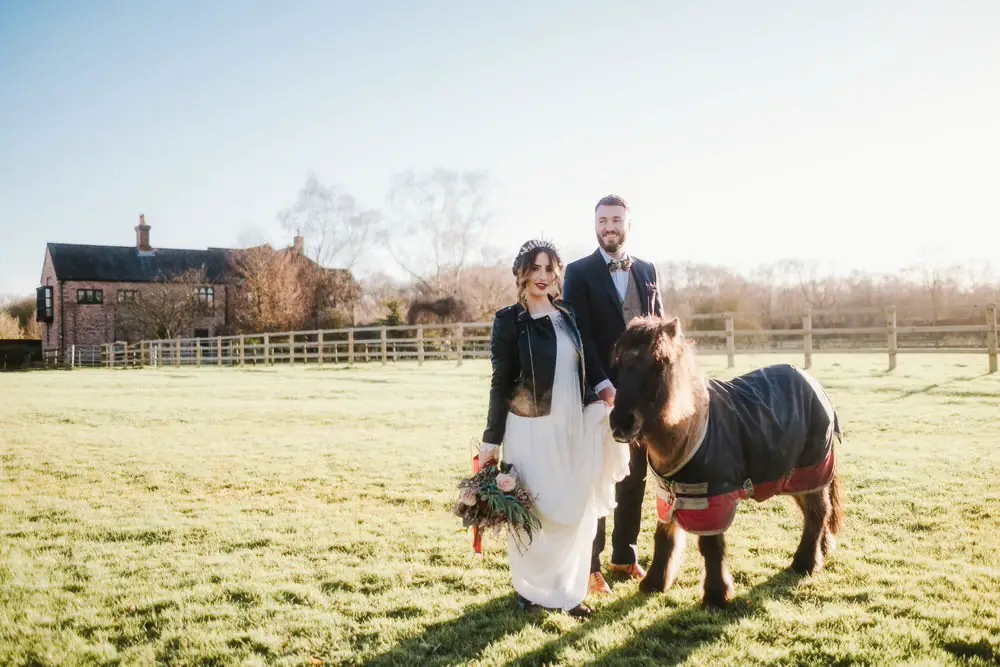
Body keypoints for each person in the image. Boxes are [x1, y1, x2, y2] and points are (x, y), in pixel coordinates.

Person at [479, 238, 630, 619]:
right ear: (522, 273)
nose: (543, 276)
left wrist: (606, 391)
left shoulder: (567, 315)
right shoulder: (509, 322)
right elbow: (500, 383)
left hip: (571, 424)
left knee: (574, 509)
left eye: (550, 268)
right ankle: (530, 590)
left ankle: (569, 590)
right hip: (530, 428)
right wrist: (490, 440)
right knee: (536, 511)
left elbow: (588, 363)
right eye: (535, 268)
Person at [562, 194, 665, 595]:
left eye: (617, 219)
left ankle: (625, 556)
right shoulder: (580, 271)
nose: (610, 226)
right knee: (598, 476)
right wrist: (603, 385)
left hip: (640, 395)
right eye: (603, 220)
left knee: (634, 475)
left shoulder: (647, 269)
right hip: (596, 390)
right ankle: (590, 567)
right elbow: (578, 335)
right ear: (595, 225)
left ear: (628, 224)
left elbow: (657, 331)